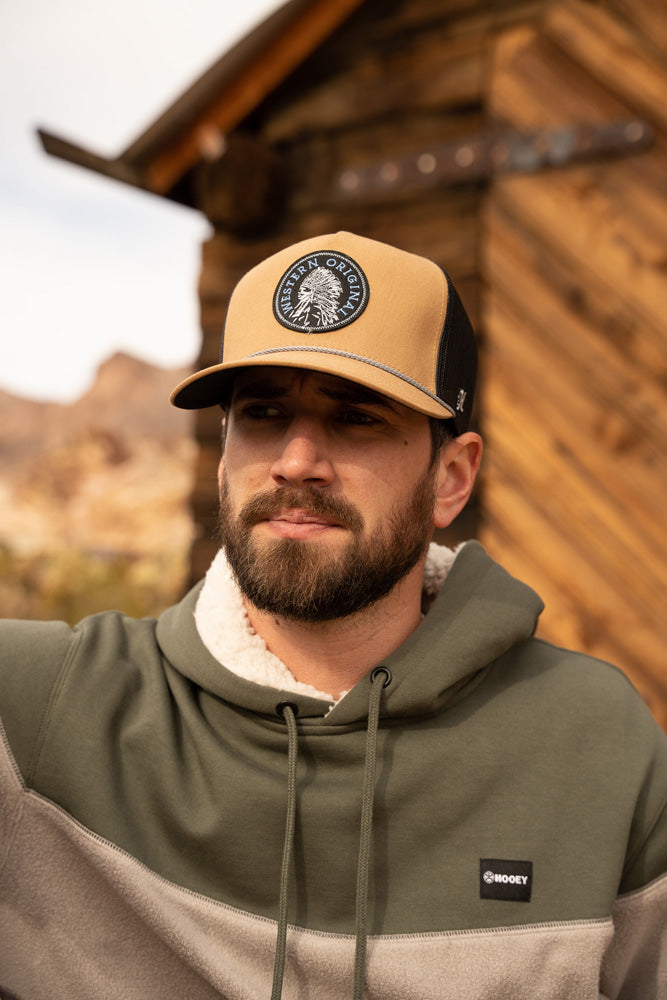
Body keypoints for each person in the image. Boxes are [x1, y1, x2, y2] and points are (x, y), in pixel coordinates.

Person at [0, 231, 665, 1000]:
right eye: (262, 412)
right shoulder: (43, 712)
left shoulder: (597, 746)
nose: (294, 460)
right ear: (221, 458)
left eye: (356, 419)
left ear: (450, 478)